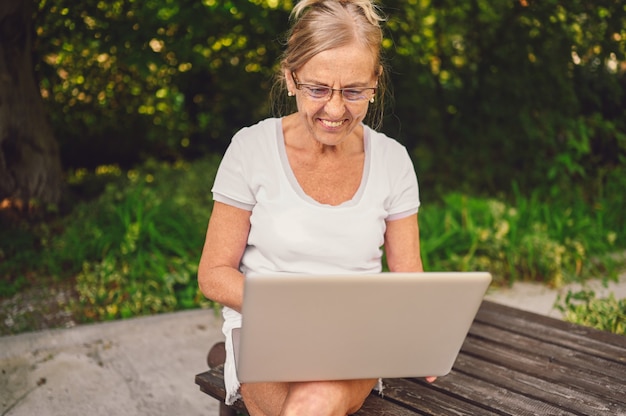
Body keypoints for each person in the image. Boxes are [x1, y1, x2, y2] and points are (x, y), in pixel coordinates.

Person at [198, 0, 433, 414]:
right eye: (318, 89)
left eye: (355, 91)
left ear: (375, 82)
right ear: (291, 78)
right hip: (264, 329)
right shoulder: (251, 149)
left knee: (318, 396)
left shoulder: (393, 161)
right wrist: (295, 312)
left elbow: (408, 275)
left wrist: (424, 331)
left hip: (353, 339)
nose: (336, 109)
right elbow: (214, 275)